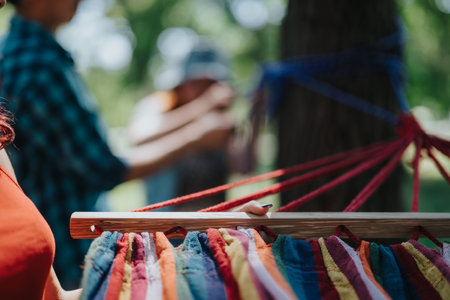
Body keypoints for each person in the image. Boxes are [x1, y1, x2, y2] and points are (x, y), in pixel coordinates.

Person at [0, 0, 235, 288]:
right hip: (71, 258)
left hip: (64, 254)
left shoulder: (25, 54)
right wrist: (198, 134)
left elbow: (107, 149)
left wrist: (201, 116)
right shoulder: (38, 64)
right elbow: (106, 166)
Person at [128, 38, 235, 211]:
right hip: (164, 229)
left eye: (210, 84)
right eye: (196, 83)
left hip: (212, 230)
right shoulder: (161, 103)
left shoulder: (220, 117)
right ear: (181, 83)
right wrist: (203, 108)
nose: (204, 90)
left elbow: (244, 167)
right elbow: (137, 136)